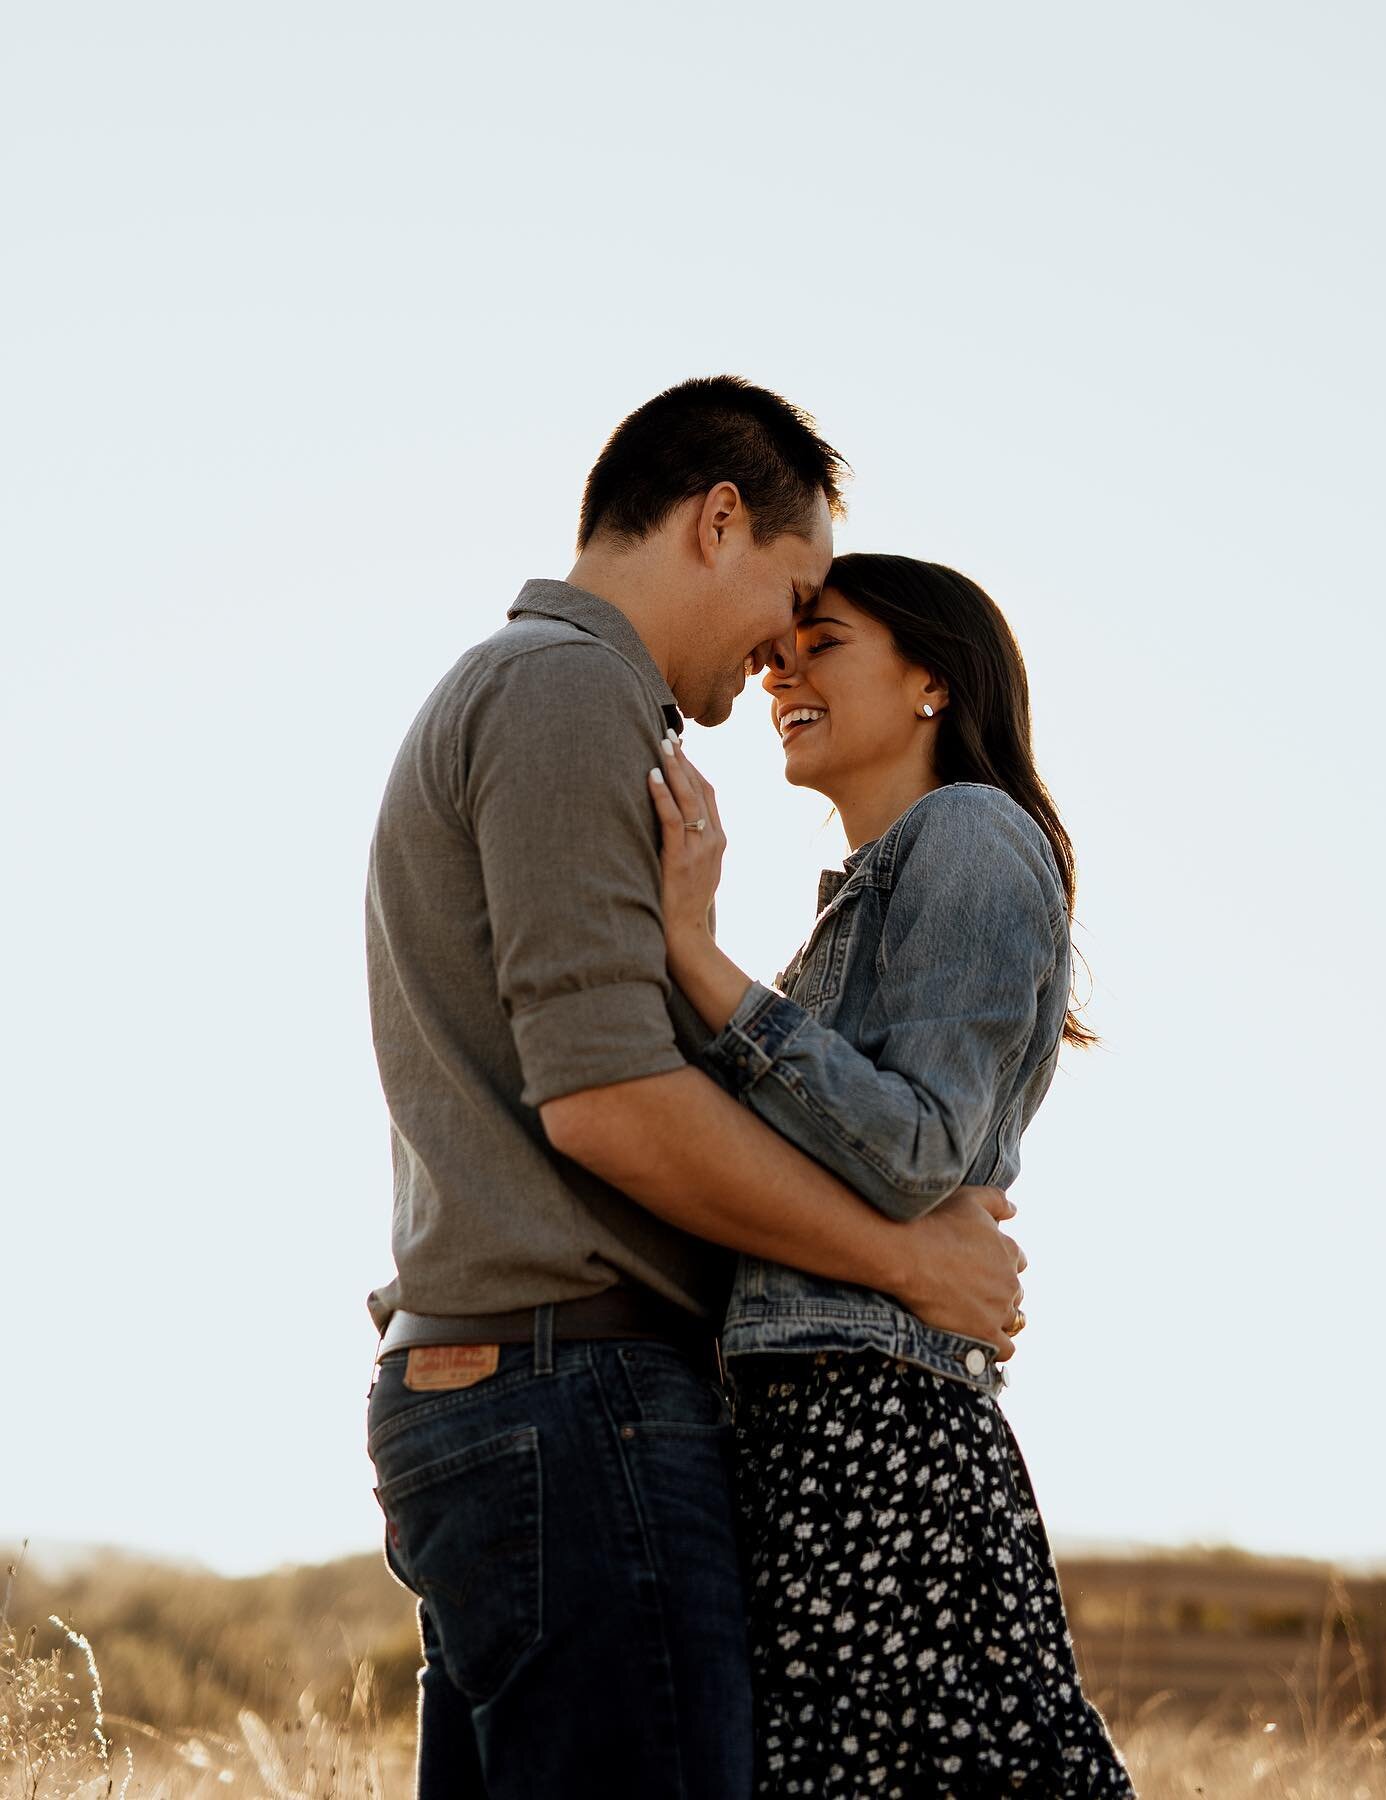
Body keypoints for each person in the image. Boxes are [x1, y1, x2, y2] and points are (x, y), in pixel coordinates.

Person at [362, 380, 1028, 1798]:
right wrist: (909, 1260)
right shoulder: (565, 688)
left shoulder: (547, 691)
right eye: (793, 592)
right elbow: (608, 1103)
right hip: (571, 1394)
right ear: (718, 521)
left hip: (524, 1390)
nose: (785, 644)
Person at [646, 553, 1134, 1796]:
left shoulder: (970, 833)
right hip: (826, 1429)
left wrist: (701, 967)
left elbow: (916, 1149)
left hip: (881, 1439)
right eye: (775, 650)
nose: (780, 669)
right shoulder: (874, 890)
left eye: (826, 642)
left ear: (932, 680)